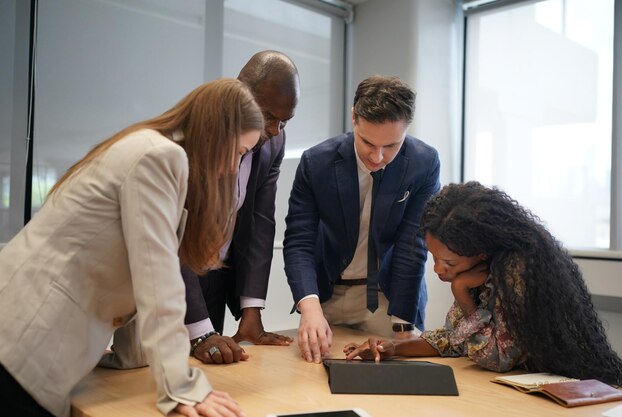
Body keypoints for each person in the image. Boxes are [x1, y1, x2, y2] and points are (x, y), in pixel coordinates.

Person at [0, 78, 263, 417]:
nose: (232, 169)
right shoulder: (160, 157)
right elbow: (158, 282)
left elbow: (137, 269)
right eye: (239, 153)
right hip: (22, 343)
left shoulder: (153, 148)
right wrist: (181, 387)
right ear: (217, 131)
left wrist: (132, 358)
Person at [344, 181, 622, 387]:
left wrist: (461, 294)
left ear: (480, 252)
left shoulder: (518, 270)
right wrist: (393, 349)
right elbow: (458, 339)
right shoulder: (480, 269)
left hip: (566, 392)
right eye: (433, 257)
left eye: (449, 263)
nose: (438, 270)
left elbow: (496, 357)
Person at [283, 75, 441, 363]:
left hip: (390, 297)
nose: (378, 157)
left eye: (391, 146)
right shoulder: (316, 162)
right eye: (368, 142)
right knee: (314, 380)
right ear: (354, 118)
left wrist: (404, 327)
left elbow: (412, 243)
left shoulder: (424, 163)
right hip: (329, 294)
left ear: (407, 128)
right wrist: (309, 307)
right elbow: (299, 241)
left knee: (394, 390)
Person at [182, 50, 300, 365]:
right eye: (269, 116)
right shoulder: (193, 135)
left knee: (211, 371)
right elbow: (172, 239)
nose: (276, 130)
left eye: (285, 121)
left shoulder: (274, 141)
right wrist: (200, 332)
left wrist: (252, 311)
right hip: (173, 275)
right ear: (240, 96)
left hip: (218, 274)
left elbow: (260, 223)